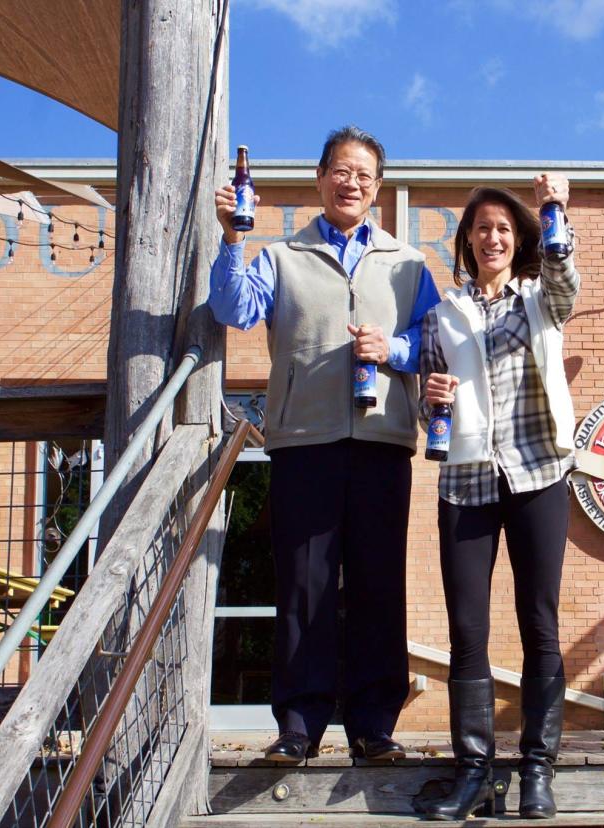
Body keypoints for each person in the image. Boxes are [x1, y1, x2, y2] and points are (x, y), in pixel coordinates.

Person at [209, 126, 440, 763]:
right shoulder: (281, 256)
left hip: (383, 442)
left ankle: (373, 726)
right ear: (319, 179)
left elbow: (435, 343)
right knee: (304, 586)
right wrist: (234, 236)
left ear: (378, 189)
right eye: (341, 171)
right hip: (302, 441)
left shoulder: (408, 264)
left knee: (377, 582)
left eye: (365, 175)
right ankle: (298, 726)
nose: (352, 183)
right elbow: (233, 309)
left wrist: (390, 350)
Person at [419, 175, 577, 820]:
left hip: (539, 472)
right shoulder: (443, 312)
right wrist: (432, 399)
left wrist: (556, 207)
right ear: (467, 240)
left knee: (539, 621)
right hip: (466, 480)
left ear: (520, 241)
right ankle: (473, 771)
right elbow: (428, 391)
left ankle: (537, 769)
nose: (492, 237)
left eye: (504, 229)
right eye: (482, 228)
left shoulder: (542, 298)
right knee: (467, 630)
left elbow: (566, 281)